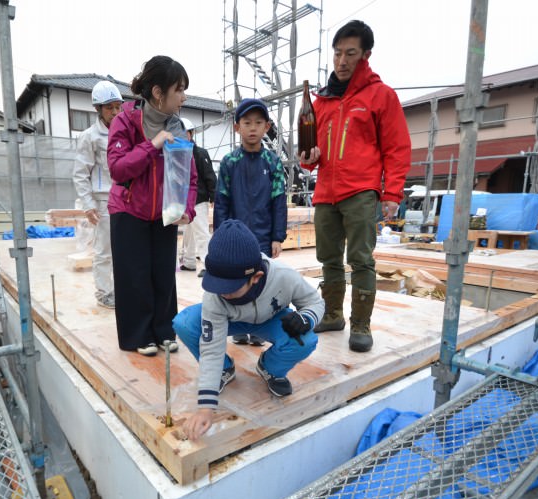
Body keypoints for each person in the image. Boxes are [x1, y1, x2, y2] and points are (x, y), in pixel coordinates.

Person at [299, 20, 411, 353]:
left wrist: (391, 193)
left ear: (366, 55)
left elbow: (396, 148)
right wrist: (307, 157)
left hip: (361, 191)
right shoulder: (321, 102)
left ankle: (361, 324)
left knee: (361, 259)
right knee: (328, 259)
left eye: (350, 53)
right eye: (337, 54)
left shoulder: (381, 96)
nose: (342, 61)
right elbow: (308, 159)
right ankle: (333, 313)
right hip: (325, 194)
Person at [173, 220, 324, 441]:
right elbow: (211, 349)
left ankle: (270, 367)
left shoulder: (283, 276)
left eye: (229, 289)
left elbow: (315, 302)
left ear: (256, 277)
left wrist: (306, 319)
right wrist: (206, 407)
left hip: (269, 319)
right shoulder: (216, 296)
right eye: (217, 285)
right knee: (185, 323)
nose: (222, 293)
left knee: (305, 339)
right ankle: (225, 370)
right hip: (231, 320)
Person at [107, 56, 198, 356]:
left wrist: (187, 208)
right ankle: (138, 335)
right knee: (134, 275)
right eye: (179, 90)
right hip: (129, 210)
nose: (184, 97)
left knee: (162, 273)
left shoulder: (179, 127)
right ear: (159, 92)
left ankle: (163, 330)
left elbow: (190, 175)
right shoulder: (125, 121)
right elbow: (118, 168)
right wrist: (153, 144)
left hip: (164, 214)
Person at [214, 98, 288, 346]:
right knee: (236, 282)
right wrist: (220, 235)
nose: (253, 128)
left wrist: (278, 236)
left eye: (258, 122)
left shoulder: (273, 162)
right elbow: (221, 201)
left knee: (262, 282)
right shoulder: (229, 162)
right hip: (236, 238)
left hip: (264, 235)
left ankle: (259, 328)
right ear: (237, 127)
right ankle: (238, 326)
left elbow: (279, 200)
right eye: (247, 122)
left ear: (267, 127)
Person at [72, 80, 124, 309]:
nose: (114, 112)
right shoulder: (90, 137)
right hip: (103, 200)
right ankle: (104, 292)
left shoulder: (125, 132)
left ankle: (122, 289)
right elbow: (81, 173)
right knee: (104, 250)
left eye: (117, 107)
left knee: (124, 249)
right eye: (109, 107)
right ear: (98, 109)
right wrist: (88, 203)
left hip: (125, 199)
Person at [178, 117, 217, 277]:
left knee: (201, 232)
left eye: (183, 133)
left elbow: (209, 175)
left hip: (198, 199)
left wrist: (214, 196)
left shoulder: (199, 153)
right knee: (189, 233)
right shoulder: (178, 153)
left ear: (190, 134)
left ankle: (209, 265)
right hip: (184, 201)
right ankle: (189, 262)